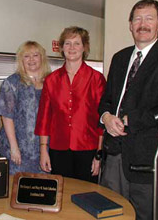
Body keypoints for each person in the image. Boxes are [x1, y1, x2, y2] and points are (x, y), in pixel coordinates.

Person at [98, 0, 158, 220]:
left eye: (149, 18)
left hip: (148, 160)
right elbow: (106, 100)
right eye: (137, 19)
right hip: (114, 157)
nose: (142, 24)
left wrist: (129, 120)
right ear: (130, 25)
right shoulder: (119, 58)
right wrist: (106, 117)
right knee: (110, 214)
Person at [35, 26, 106, 182]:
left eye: (77, 43)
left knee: (87, 196)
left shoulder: (96, 79)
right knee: (61, 195)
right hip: (58, 149)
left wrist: (99, 155)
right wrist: (43, 151)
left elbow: (102, 119)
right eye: (67, 43)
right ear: (61, 47)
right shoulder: (51, 80)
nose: (72, 48)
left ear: (84, 47)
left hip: (88, 149)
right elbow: (44, 118)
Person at [0, 41, 51, 174]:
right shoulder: (12, 82)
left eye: (35, 55)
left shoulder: (51, 82)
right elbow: (6, 116)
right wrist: (14, 147)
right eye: (27, 56)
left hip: (45, 149)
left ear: (42, 58)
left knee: (42, 189)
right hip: (18, 150)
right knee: (18, 189)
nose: (31, 59)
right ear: (21, 59)